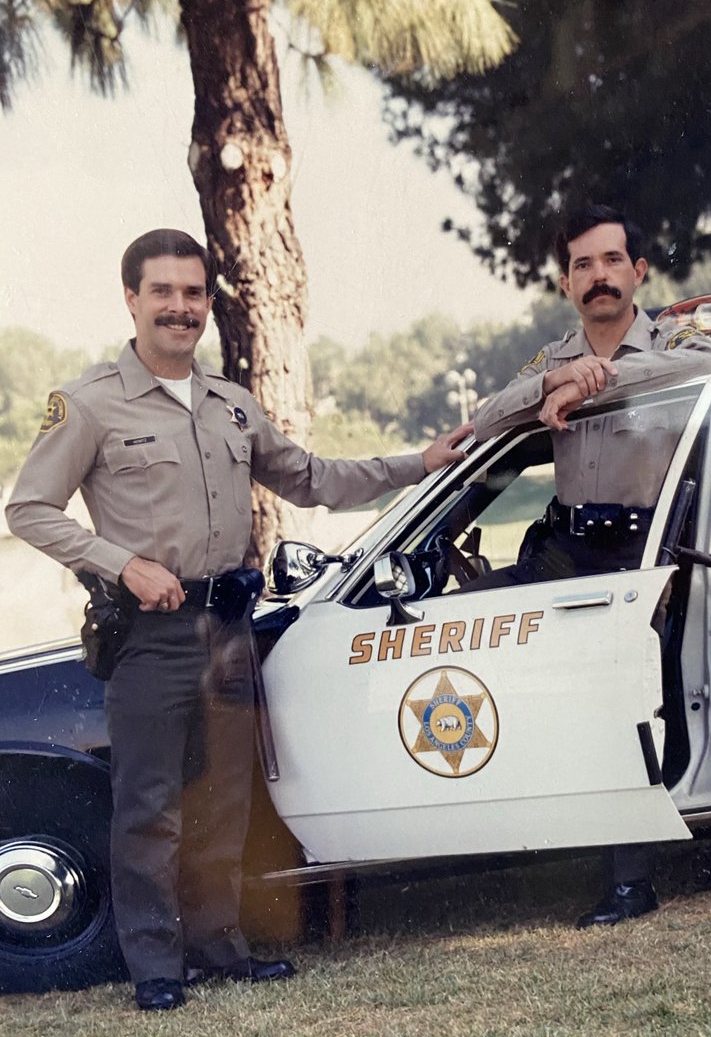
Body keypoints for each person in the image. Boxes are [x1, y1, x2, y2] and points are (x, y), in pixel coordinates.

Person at [5, 229, 469, 1011]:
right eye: (163, 292)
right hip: (148, 635)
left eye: (193, 294)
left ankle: (220, 946)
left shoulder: (230, 404)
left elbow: (312, 477)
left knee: (225, 799)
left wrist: (417, 464)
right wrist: (122, 562)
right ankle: (156, 967)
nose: (180, 309)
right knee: (149, 804)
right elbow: (28, 509)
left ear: (208, 305)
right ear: (132, 298)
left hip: (225, 626)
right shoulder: (89, 405)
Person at [469, 203, 711, 927]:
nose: (599, 276)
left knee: (623, 706)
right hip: (567, 549)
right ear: (565, 282)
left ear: (638, 272)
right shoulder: (551, 357)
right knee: (476, 633)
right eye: (584, 265)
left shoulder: (676, 341)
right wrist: (553, 384)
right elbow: (489, 417)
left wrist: (599, 380)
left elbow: (708, 368)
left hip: (642, 556)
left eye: (612, 261)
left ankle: (629, 885)